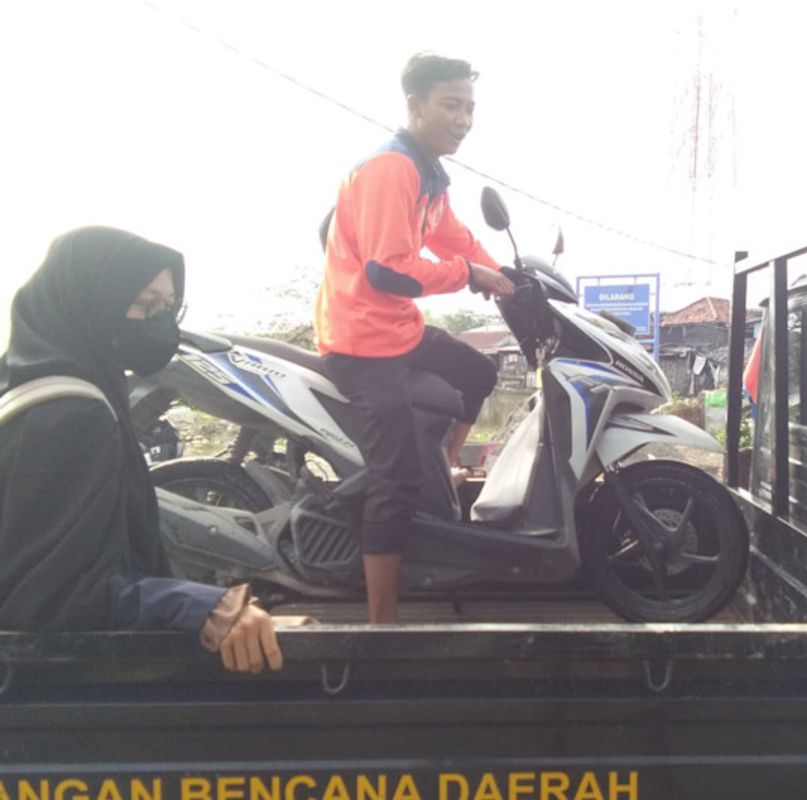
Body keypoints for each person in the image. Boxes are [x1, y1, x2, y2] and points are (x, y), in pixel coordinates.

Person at [0, 226, 286, 673]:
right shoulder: (71, 415)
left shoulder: (26, 385)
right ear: (91, 302)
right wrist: (200, 605)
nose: (159, 323)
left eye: (168, 307)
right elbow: (50, 601)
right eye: (144, 305)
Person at [314, 53, 515, 623]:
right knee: (395, 479)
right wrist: (470, 276)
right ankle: (383, 623)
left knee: (480, 373)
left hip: (396, 328)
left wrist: (509, 277)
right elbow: (389, 270)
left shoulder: (429, 176)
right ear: (415, 106)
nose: (463, 118)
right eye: (451, 105)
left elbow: (455, 238)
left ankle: (445, 472)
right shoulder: (391, 169)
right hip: (359, 341)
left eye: (470, 107)